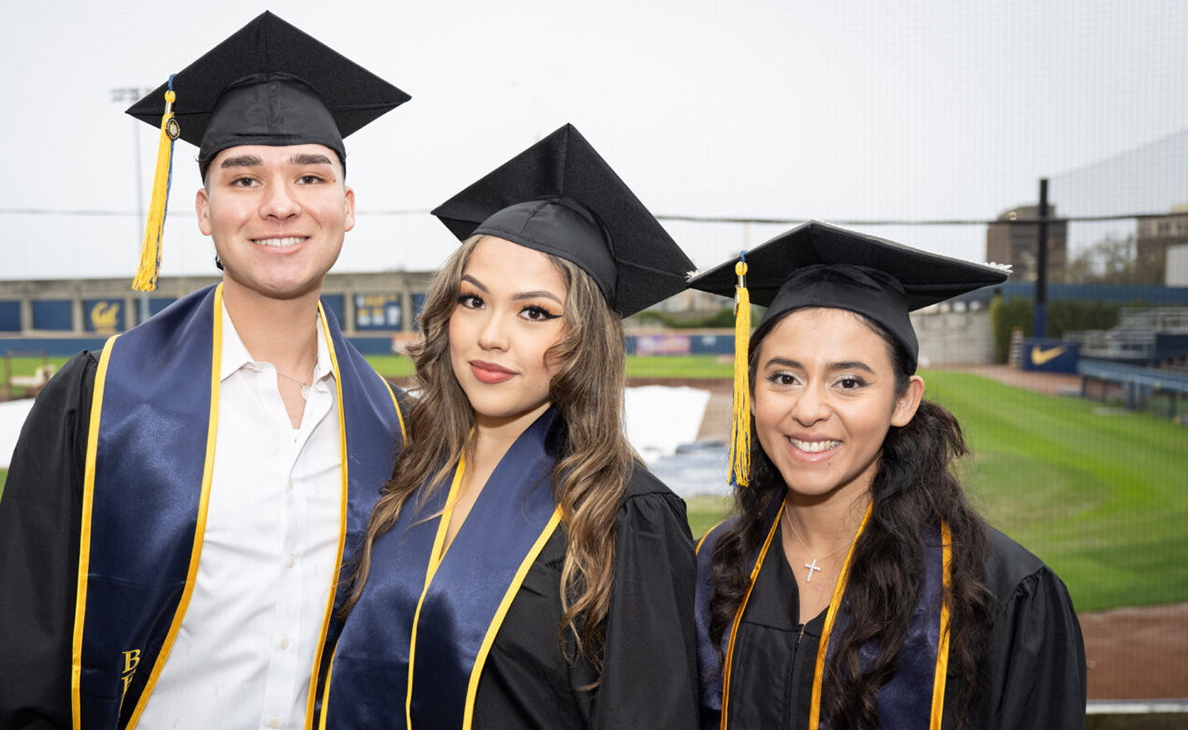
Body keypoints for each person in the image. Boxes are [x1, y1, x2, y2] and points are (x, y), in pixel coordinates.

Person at [0, 13, 410, 730]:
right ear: (204, 211)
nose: (279, 203)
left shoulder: (395, 425)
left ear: (346, 207)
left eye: (310, 174)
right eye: (243, 178)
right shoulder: (101, 400)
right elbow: (16, 661)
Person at [318, 124, 702, 729]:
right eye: (473, 300)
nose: (490, 335)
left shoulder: (626, 517)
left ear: (583, 339)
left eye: (534, 312)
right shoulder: (404, 470)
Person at [688, 221, 1087, 730]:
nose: (809, 409)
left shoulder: (997, 592)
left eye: (849, 382)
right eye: (784, 378)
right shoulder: (713, 566)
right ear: (751, 392)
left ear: (904, 400)